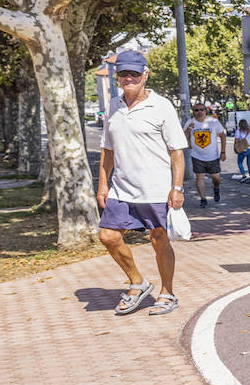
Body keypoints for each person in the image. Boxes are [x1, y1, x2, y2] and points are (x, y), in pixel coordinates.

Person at [96, 50, 188, 316]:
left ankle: (167, 293)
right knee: (108, 236)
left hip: (156, 187)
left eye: (134, 73)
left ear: (145, 75)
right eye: (123, 73)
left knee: (158, 239)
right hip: (121, 187)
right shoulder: (114, 106)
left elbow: (177, 150)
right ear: (117, 76)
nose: (128, 78)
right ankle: (138, 282)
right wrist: (103, 185)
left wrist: (177, 187)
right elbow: (107, 148)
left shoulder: (161, 105)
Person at [184, 103, 227, 208]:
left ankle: (216, 189)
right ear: (193, 112)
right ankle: (203, 199)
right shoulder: (190, 122)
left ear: (205, 111)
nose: (199, 112)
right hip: (197, 156)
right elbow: (183, 137)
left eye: (201, 109)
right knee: (199, 178)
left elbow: (222, 136)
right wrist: (188, 130)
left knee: (215, 178)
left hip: (213, 156)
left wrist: (223, 152)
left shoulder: (213, 122)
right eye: (196, 110)